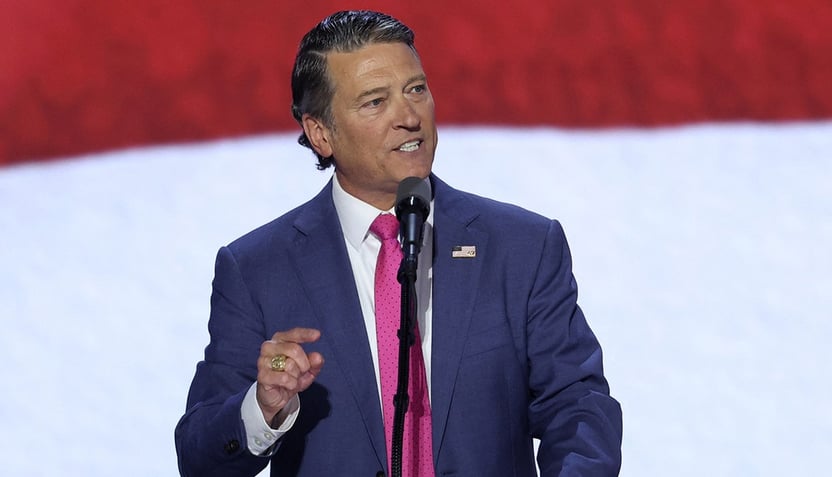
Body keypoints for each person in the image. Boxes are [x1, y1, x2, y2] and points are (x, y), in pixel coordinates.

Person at [175, 9, 622, 477]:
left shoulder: (523, 248)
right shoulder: (257, 269)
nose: (409, 117)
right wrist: (263, 409)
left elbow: (578, 407)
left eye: (416, 89)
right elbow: (200, 457)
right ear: (320, 133)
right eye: (375, 102)